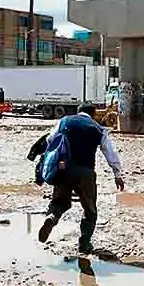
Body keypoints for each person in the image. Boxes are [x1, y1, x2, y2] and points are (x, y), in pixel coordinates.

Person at [37, 103, 125, 255]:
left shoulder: (65, 121)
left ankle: (52, 217)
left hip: (63, 170)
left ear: (78, 112)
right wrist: (117, 174)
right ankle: (84, 244)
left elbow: (50, 140)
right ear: (93, 113)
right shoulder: (97, 128)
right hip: (86, 173)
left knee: (59, 202)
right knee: (89, 210)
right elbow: (110, 152)